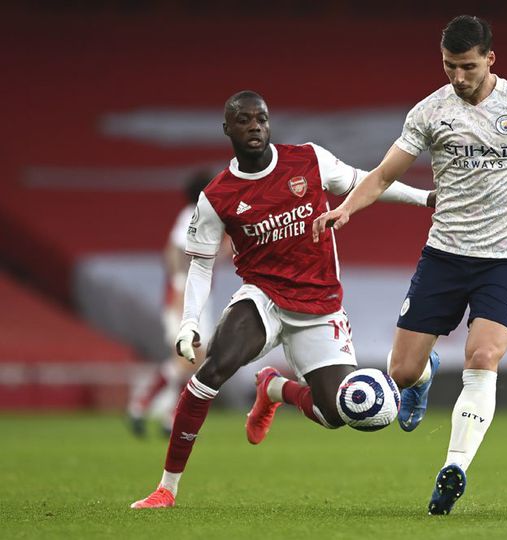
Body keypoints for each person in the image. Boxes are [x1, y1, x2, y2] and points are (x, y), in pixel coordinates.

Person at [313, 15, 507, 515]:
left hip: (504, 261)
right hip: (444, 256)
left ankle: (455, 467)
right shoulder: (430, 112)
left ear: (490, 59)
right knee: (399, 371)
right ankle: (423, 379)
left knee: (483, 357)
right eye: (448, 66)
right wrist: (346, 207)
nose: (457, 77)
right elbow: (381, 175)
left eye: (466, 66)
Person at [130, 90, 434, 509]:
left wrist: (426, 198)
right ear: (227, 129)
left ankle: (273, 389)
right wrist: (189, 323)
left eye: (261, 118)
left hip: (320, 306)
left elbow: (367, 181)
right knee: (212, 370)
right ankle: (167, 488)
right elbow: (199, 267)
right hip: (264, 299)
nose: (254, 126)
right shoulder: (216, 197)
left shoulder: (308, 160)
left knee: (337, 413)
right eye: (243, 120)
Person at [127, 172, 215, 437]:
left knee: (193, 359)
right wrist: (178, 285)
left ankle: (164, 415)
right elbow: (174, 250)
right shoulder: (192, 214)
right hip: (183, 296)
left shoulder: (205, 217)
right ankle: (144, 405)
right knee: (188, 357)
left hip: (198, 297)